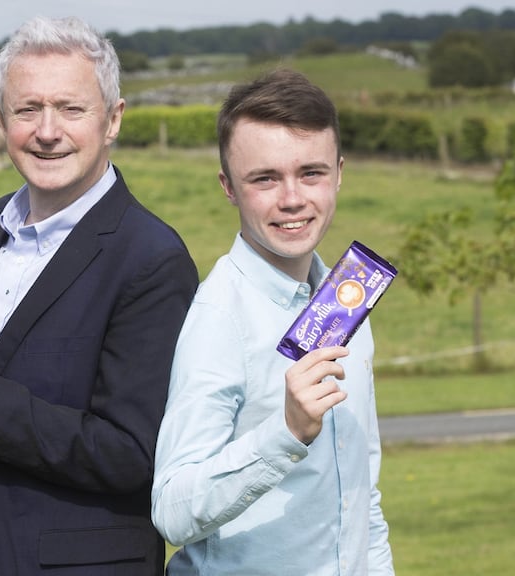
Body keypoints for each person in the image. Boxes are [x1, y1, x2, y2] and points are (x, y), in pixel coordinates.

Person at [0, 16, 199, 576]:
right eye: (28, 109)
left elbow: (129, 453)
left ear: (113, 119)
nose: (47, 130)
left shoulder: (152, 259)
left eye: (70, 108)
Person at [151, 69, 395, 575]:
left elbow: (360, 495)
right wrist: (286, 431)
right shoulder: (219, 316)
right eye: (264, 178)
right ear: (228, 187)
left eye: (311, 173)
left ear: (340, 173)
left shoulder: (347, 300)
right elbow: (172, 510)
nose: (292, 198)